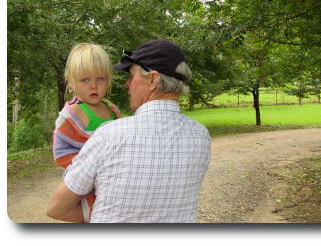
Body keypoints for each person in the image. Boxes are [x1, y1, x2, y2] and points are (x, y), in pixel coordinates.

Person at [47, 39, 211, 223]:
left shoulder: (109, 135)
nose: (126, 84)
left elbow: (57, 209)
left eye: (132, 76)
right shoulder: (202, 136)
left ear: (153, 79)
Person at [52, 42, 121, 222]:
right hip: (89, 188)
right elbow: (63, 152)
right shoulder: (74, 114)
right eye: (85, 80)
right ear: (71, 81)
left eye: (100, 79)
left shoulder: (112, 109)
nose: (93, 86)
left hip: (116, 183)